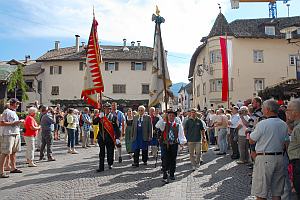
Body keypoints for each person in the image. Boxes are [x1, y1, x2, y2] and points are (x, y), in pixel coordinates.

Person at [250, 99, 288, 200]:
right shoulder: (283, 124)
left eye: (263, 108)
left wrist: (254, 128)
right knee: (277, 192)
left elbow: (251, 140)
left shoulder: (263, 124)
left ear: (267, 109)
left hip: (265, 158)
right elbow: (286, 142)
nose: (262, 109)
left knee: (261, 192)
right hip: (279, 157)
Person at [156, 109, 186, 182]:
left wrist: (181, 143)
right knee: (165, 158)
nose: (171, 117)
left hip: (174, 144)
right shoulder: (163, 124)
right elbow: (157, 125)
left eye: (173, 116)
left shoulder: (178, 125)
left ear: (175, 117)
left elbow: (181, 135)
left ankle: (172, 174)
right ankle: (165, 173)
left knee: (173, 159)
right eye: (169, 115)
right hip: (164, 144)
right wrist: (163, 118)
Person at [0, 98, 24, 178]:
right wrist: (15, 123)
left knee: (14, 152)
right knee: (5, 152)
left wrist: (18, 123)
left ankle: (13, 168)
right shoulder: (6, 112)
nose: (18, 105)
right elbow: (1, 123)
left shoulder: (13, 112)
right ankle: (1, 171)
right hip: (8, 134)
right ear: (12, 104)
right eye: (17, 104)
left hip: (15, 133)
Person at [286, 99, 300, 198]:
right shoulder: (296, 126)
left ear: (295, 112)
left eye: (288, 110)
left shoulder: (298, 128)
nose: (287, 112)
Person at [96, 103, 116, 172]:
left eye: (108, 108)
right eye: (105, 108)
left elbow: (116, 128)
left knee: (110, 152)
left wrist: (117, 138)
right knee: (101, 153)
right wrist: (99, 117)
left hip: (109, 137)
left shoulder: (113, 117)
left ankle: (110, 163)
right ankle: (101, 167)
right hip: (101, 136)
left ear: (110, 110)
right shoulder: (100, 116)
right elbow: (94, 122)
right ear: (104, 109)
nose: (107, 110)